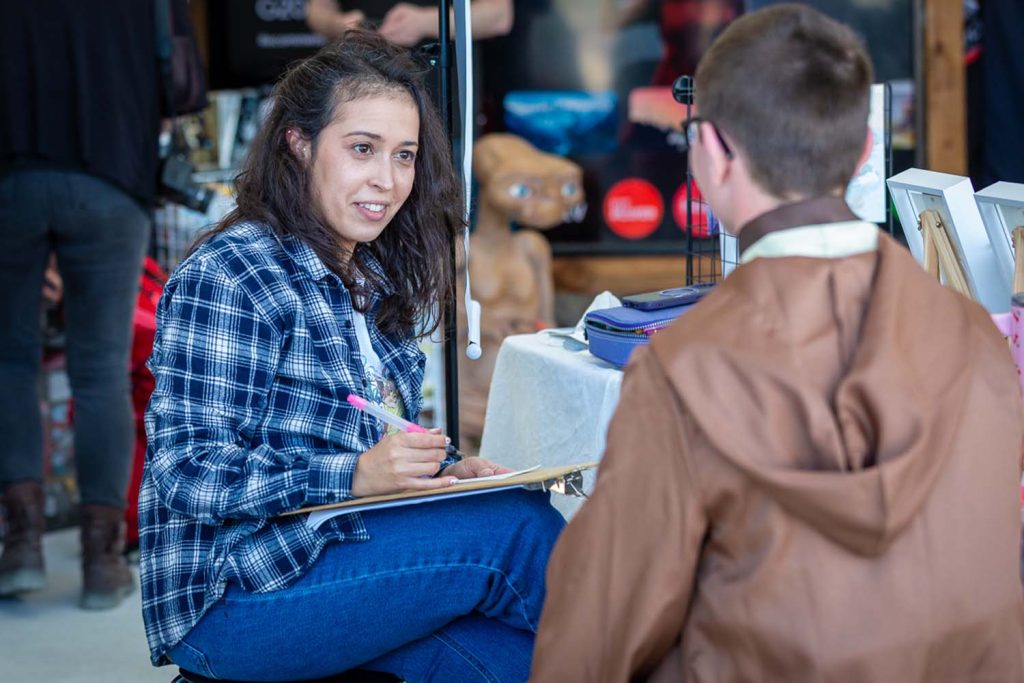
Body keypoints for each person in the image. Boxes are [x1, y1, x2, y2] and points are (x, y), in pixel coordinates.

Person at [531, 5, 1024, 682]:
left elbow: (598, 631)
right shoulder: (977, 338)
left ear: (711, 151)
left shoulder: (685, 369)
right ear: (860, 154)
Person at [140, 30, 564, 682]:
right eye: (362, 149)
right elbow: (189, 472)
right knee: (516, 529)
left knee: (512, 660)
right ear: (299, 143)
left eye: (404, 156)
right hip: (232, 594)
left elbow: (365, 437)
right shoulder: (235, 270)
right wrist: (355, 476)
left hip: (337, 554)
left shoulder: (371, 275)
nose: (387, 181)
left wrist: (439, 474)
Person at [0, 0, 157, 609]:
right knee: (100, 370)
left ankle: (21, 547)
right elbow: (180, 84)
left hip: (10, 175)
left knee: (11, 364)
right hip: (112, 173)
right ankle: (103, 560)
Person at [306, 0, 513, 47]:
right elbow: (317, 10)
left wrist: (425, 22)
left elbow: (497, 16)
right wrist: (338, 24)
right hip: (357, 83)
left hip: (439, 90)